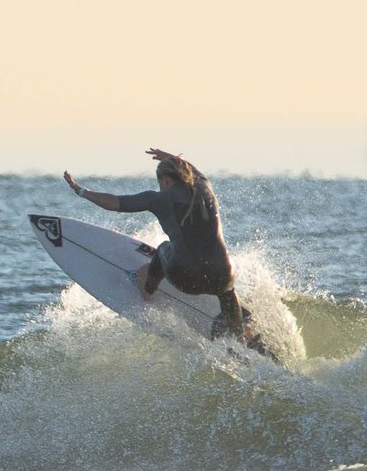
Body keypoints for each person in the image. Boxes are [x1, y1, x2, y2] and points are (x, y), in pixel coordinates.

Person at [62, 148, 265, 350]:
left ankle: (147, 288)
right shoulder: (205, 186)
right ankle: (240, 337)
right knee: (227, 291)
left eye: (160, 182)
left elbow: (115, 203)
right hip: (223, 273)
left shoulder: (159, 199)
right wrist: (170, 157)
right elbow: (195, 170)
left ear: (166, 180)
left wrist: (81, 190)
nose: (160, 187)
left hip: (185, 276)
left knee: (164, 248)